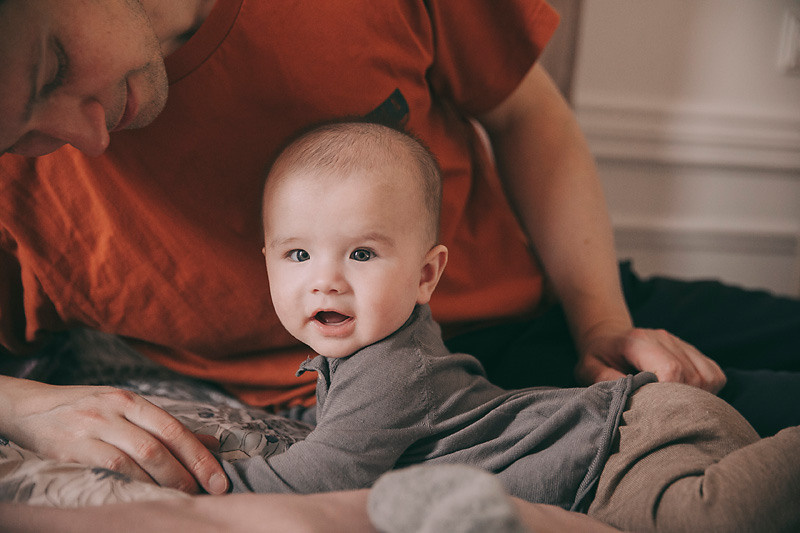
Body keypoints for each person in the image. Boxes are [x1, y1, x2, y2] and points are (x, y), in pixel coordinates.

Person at [0, 0, 798, 499]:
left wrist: (599, 319)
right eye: (21, 133)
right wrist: (25, 405)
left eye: (53, 69)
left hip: (568, 301)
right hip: (490, 391)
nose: (84, 138)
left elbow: (527, 116)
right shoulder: (15, 186)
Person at [218, 120, 800, 532]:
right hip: (619, 432)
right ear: (265, 260)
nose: (326, 281)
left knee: (701, 520)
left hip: (621, 448)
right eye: (298, 256)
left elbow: (317, 476)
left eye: (362, 255)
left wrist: (209, 483)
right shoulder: (366, 355)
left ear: (426, 276)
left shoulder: (393, 370)